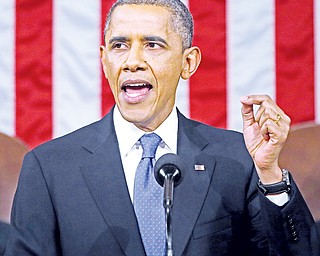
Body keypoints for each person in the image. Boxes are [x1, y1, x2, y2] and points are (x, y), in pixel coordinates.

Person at [5, 0, 319, 255]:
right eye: (119, 45)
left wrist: (270, 176)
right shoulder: (50, 167)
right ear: (104, 60)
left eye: (152, 45)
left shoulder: (236, 158)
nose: (132, 61)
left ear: (188, 62)